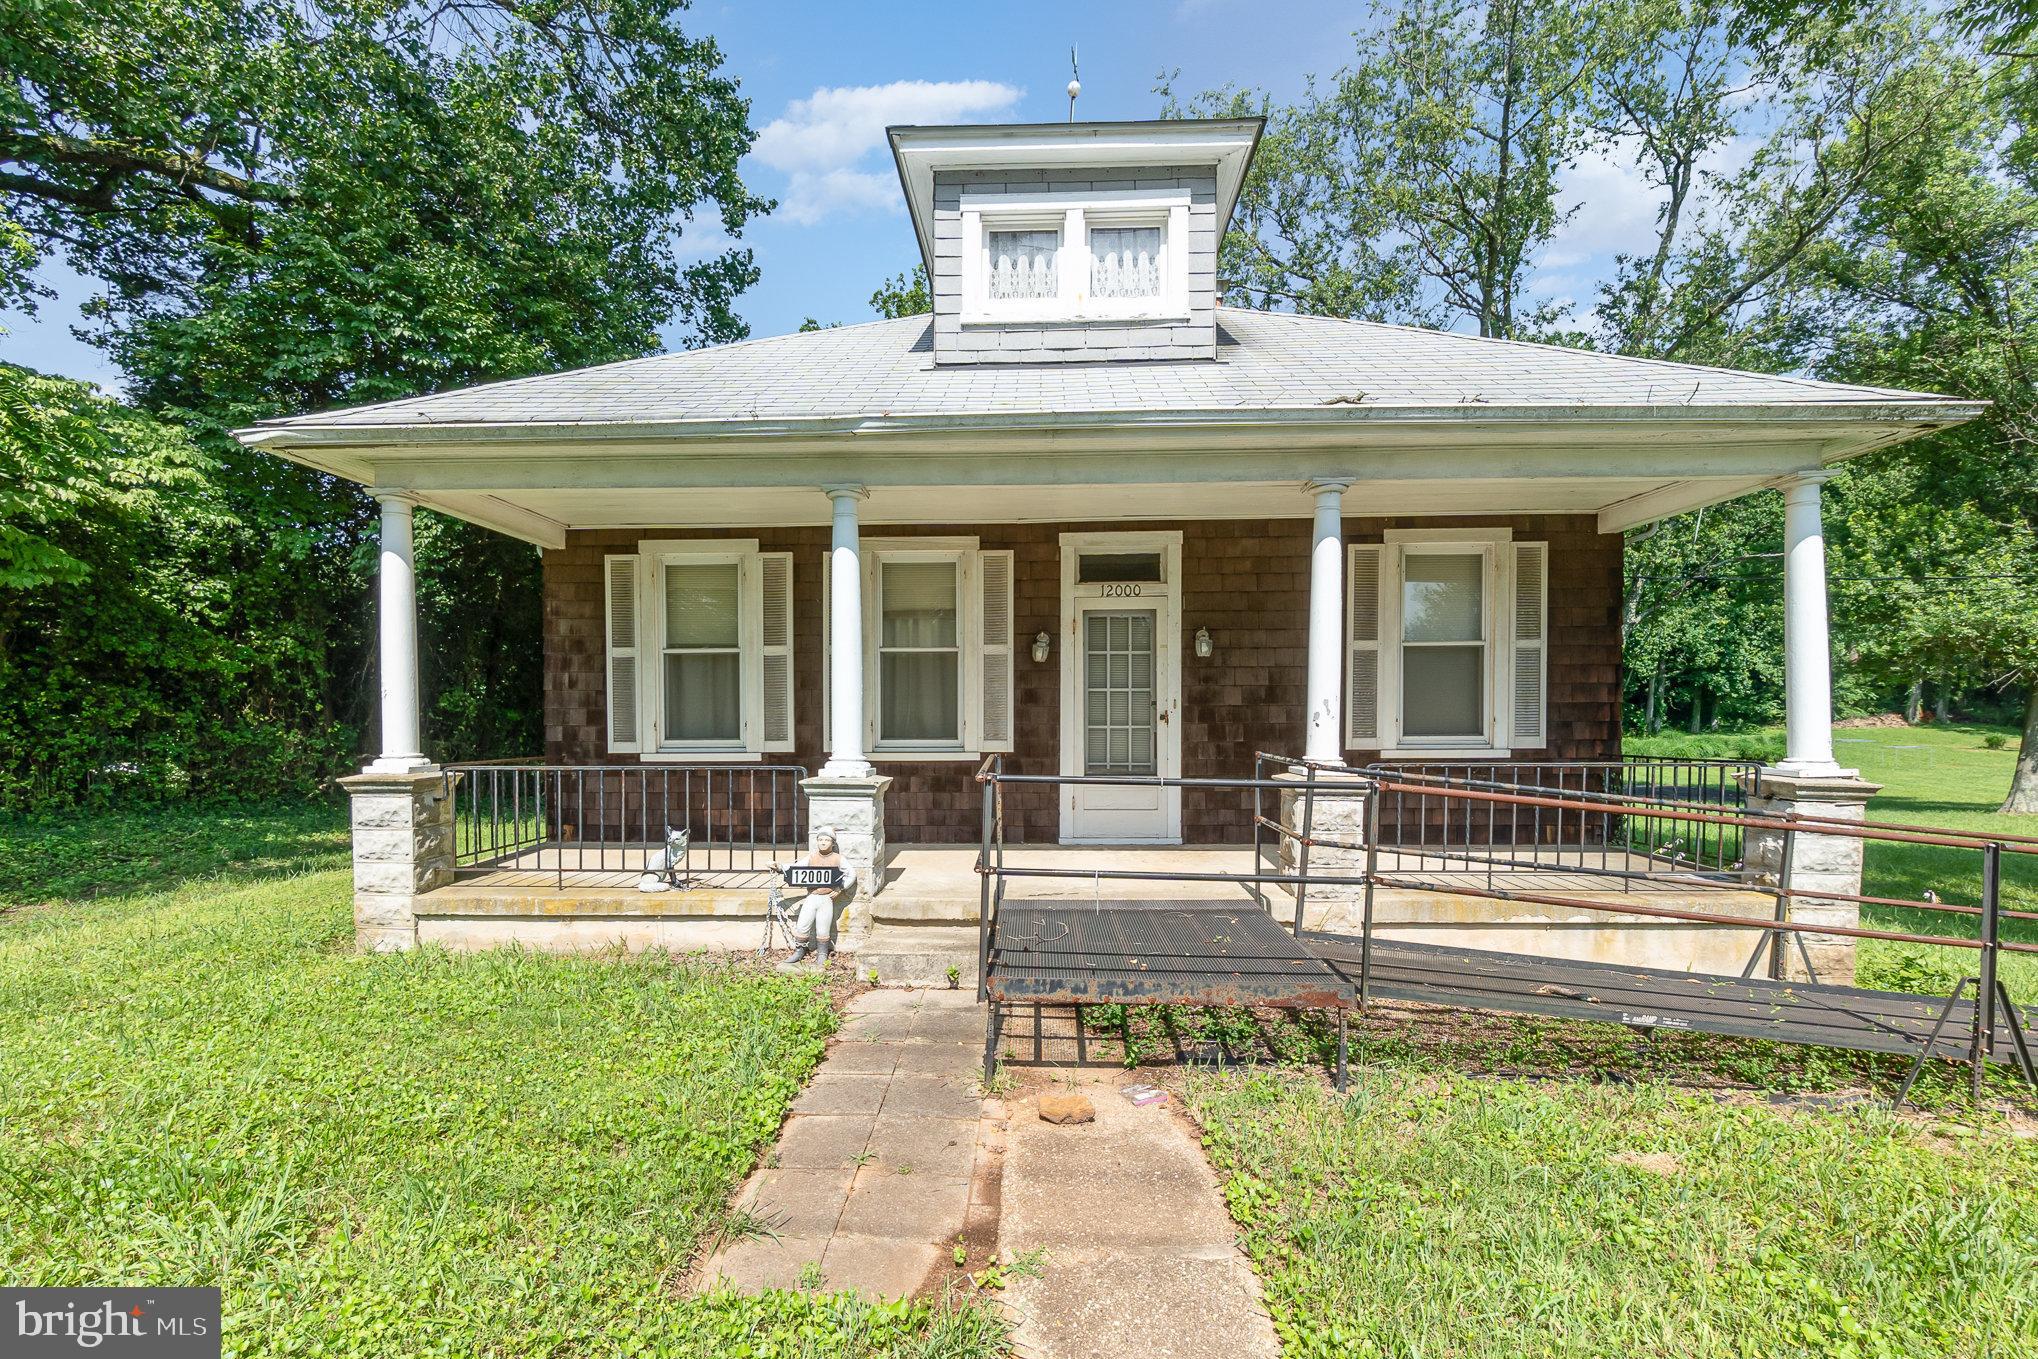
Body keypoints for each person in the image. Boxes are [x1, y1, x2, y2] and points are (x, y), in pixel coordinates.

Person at [778, 830, 852, 971]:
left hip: (826, 898)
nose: (823, 842)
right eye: (820, 840)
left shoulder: (838, 858)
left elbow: (851, 874)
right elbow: (796, 867)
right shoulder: (811, 857)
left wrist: (840, 888)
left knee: (823, 927)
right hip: (812, 896)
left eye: (827, 840)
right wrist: (780, 867)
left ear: (833, 843)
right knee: (802, 924)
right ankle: (799, 950)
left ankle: (822, 953)